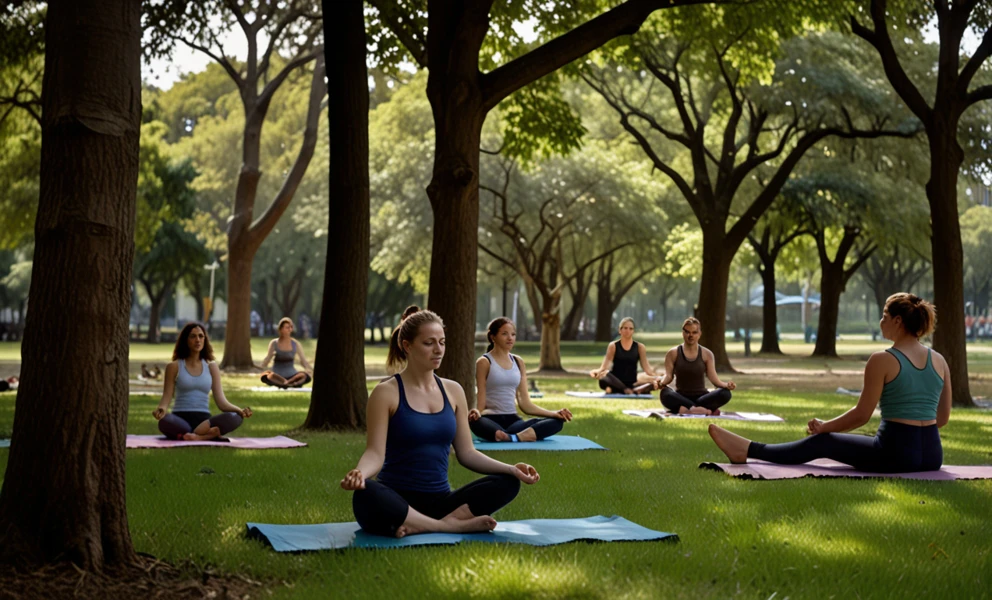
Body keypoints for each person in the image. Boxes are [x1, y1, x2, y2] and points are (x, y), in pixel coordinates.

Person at [341, 308, 540, 538]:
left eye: (442, 342)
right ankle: (449, 526)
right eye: (429, 343)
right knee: (366, 492)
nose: (438, 350)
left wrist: (511, 468)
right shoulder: (386, 392)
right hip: (396, 501)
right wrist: (360, 473)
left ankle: (426, 524)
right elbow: (375, 453)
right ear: (407, 346)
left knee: (509, 482)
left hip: (441, 502)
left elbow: (467, 453)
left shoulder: (453, 391)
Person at [710, 293, 950, 473]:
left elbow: (862, 415)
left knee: (823, 442)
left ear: (898, 321)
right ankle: (749, 448)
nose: (881, 322)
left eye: (884, 317)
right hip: (932, 455)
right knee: (844, 439)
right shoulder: (939, 360)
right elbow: (942, 418)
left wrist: (825, 427)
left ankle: (748, 449)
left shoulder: (883, 359)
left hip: (895, 454)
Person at [469, 317, 572, 442]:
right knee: (475, 422)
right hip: (490, 420)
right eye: (504, 334)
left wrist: (554, 413)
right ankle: (515, 436)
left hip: (514, 422)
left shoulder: (518, 362)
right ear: (493, 337)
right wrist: (477, 412)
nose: (510, 338)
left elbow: (525, 404)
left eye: (513, 334)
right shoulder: (484, 362)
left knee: (556, 422)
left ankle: (509, 437)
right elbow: (481, 400)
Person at [153, 322, 253, 440]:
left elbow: (221, 402)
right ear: (185, 340)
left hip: (204, 423)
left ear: (205, 339)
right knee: (164, 421)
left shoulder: (211, 367)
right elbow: (166, 397)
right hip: (180, 420)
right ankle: (207, 435)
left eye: (201, 336)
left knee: (235, 417)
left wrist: (239, 411)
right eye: (193, 336)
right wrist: (161, 409)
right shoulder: (174, 367)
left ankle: (193, 436)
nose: (197, 340)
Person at [657, 317, 736, 415]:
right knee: (665, 393)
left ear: (699, 334)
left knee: (725, 393)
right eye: (687, 332)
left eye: (694, 332)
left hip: (702, 397)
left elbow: (714, 379)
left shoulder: (707, 354)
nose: (691, 335)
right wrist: (661, 383)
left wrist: (726, 385)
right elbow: (669, 376)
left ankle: (688, 409)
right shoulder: (673, 353)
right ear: (683, 333)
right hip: (681, 397)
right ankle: (702, 410)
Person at [588, 318, 663, 394]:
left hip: (632, 382)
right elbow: (604, 367)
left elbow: (647, 369)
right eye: (625, 328)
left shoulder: (640, 347)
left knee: (654, 383)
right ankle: (628, 390)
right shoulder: (613, 346)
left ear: (633, 331)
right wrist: (596, 371)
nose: (628, 331)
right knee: (605, 375)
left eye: (631, 329)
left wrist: (656, 377)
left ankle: (617, 390)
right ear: (620, 330)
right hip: (615, 381)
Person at [259, 317, 314, 388]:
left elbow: (303, 361)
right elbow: (268, 358)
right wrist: (261, 367)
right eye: (287, 327)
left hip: (292, 375)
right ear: (281, 329)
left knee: (304, 376)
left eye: (291, 327)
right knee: (266, 376)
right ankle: (289, 383)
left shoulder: (295, 344)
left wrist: (310, 370)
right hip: (277, 375)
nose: (290, 329)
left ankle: (286, 383)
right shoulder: (274, 343)